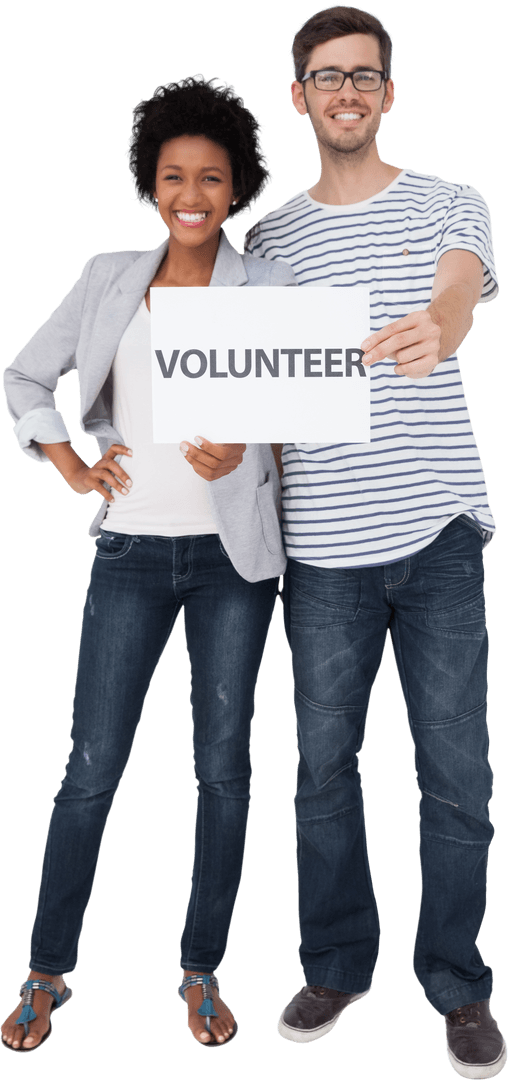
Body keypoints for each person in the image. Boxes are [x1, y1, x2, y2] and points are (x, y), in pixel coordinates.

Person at [1, 73, 296, 1053]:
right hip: (128, 552)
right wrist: (70, 462)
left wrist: (249, 442)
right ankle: (46, 970)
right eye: (174, 175)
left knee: (223, 771)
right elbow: (25, 372)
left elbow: (310, 419)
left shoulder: (269, 287)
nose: (191, 195)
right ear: (149, 182)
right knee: (89, 770)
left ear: (237, 187)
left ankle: (200, 970)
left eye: (211, 178)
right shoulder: (106, 277)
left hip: (232, 563)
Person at [245, 6, 506, 1077]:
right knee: (320, 773)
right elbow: (251, 382)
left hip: (436, 533)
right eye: (324, 77)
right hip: (321, 552)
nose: (345, 92)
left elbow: (457, 291)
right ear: (299, 97)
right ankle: (334, 964)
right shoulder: (267, 239)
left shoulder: (451, 199)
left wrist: (439, 325)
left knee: (456, 771)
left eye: (364, 75)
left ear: (387, 93)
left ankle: (456, 984)